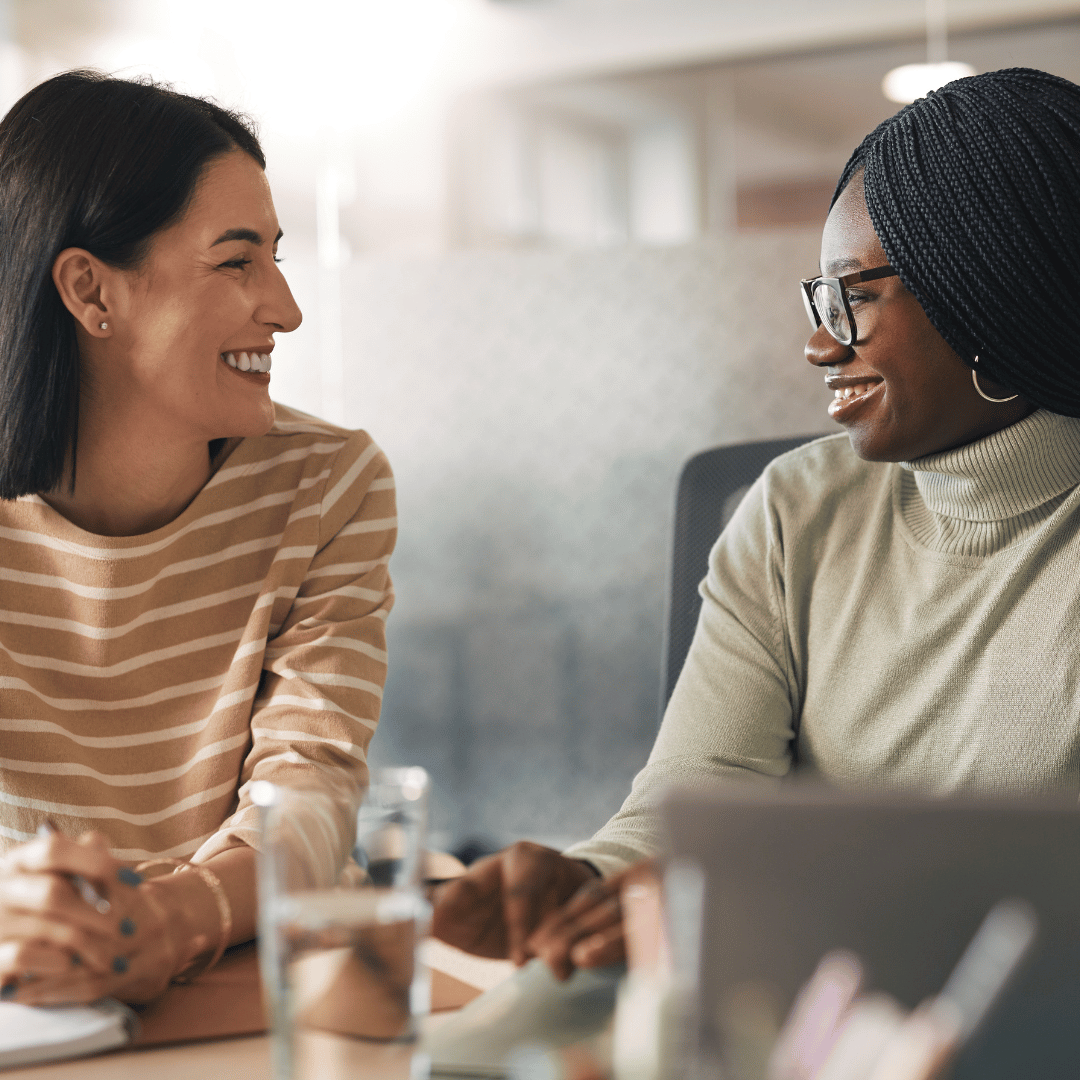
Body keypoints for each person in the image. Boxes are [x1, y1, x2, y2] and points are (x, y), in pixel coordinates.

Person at [434, 66, 1080, 977]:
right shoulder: (795, 510)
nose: (821, 342)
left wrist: (741, 915)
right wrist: (590, 883)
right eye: (820, 299)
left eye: (854, 294)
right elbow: (699, 793)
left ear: (989, 288)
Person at [0, 72, 395, 1003]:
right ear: (91, 290)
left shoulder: (328, 484)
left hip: (264, 980)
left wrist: (172, 921)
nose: (286, 309)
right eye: (237, 261)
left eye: (277, 257)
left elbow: (313, 789)